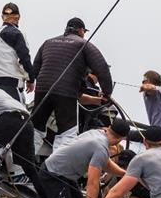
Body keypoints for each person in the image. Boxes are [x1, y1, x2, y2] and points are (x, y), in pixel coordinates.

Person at [31, 17, 112, 152]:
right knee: (66, 133)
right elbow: (102, 68)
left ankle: (21, 168)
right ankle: (56, 170)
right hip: (65, 92)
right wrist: (107, 93)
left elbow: (35, 68)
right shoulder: (83, 44)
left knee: (36, 128)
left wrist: (30, 81)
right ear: (81, 30)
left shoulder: (48, 42)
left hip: (42, 90)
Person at [0, 2, 34, 102]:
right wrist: (31, 79)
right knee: (16, 116)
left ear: (2, 17)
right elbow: (24, 58)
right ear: (18, 17)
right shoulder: (17, 34)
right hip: (11, 86)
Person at [129, 70, 161, 149]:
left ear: (148, 81)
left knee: (126, 133)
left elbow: (154, 89)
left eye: (143, 81)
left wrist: (147, 87)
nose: (142, 83)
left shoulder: (158, 92)